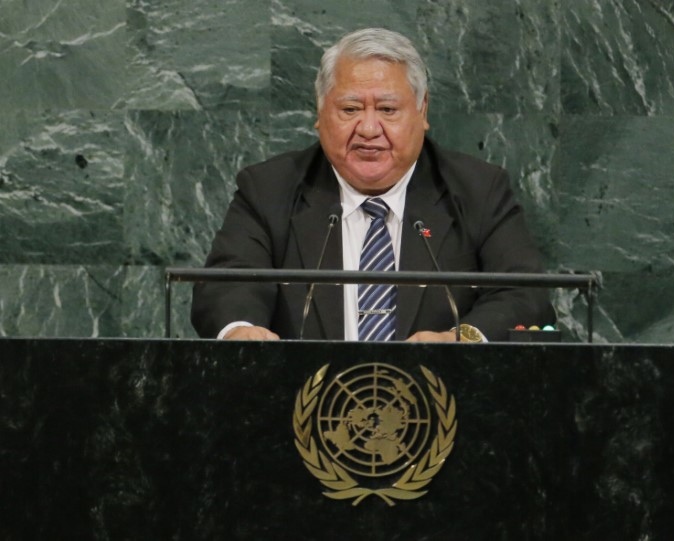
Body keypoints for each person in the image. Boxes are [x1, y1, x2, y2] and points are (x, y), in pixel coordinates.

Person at [191, 28, 555, 342]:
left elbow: (525, 295)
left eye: (387, 110)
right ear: (320, 114)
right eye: (350, 110)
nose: (368, 129)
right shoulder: (268, 189)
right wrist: (240, 330)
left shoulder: (479, 190)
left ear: (422, 112)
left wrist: (461, 339)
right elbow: (227, 285)